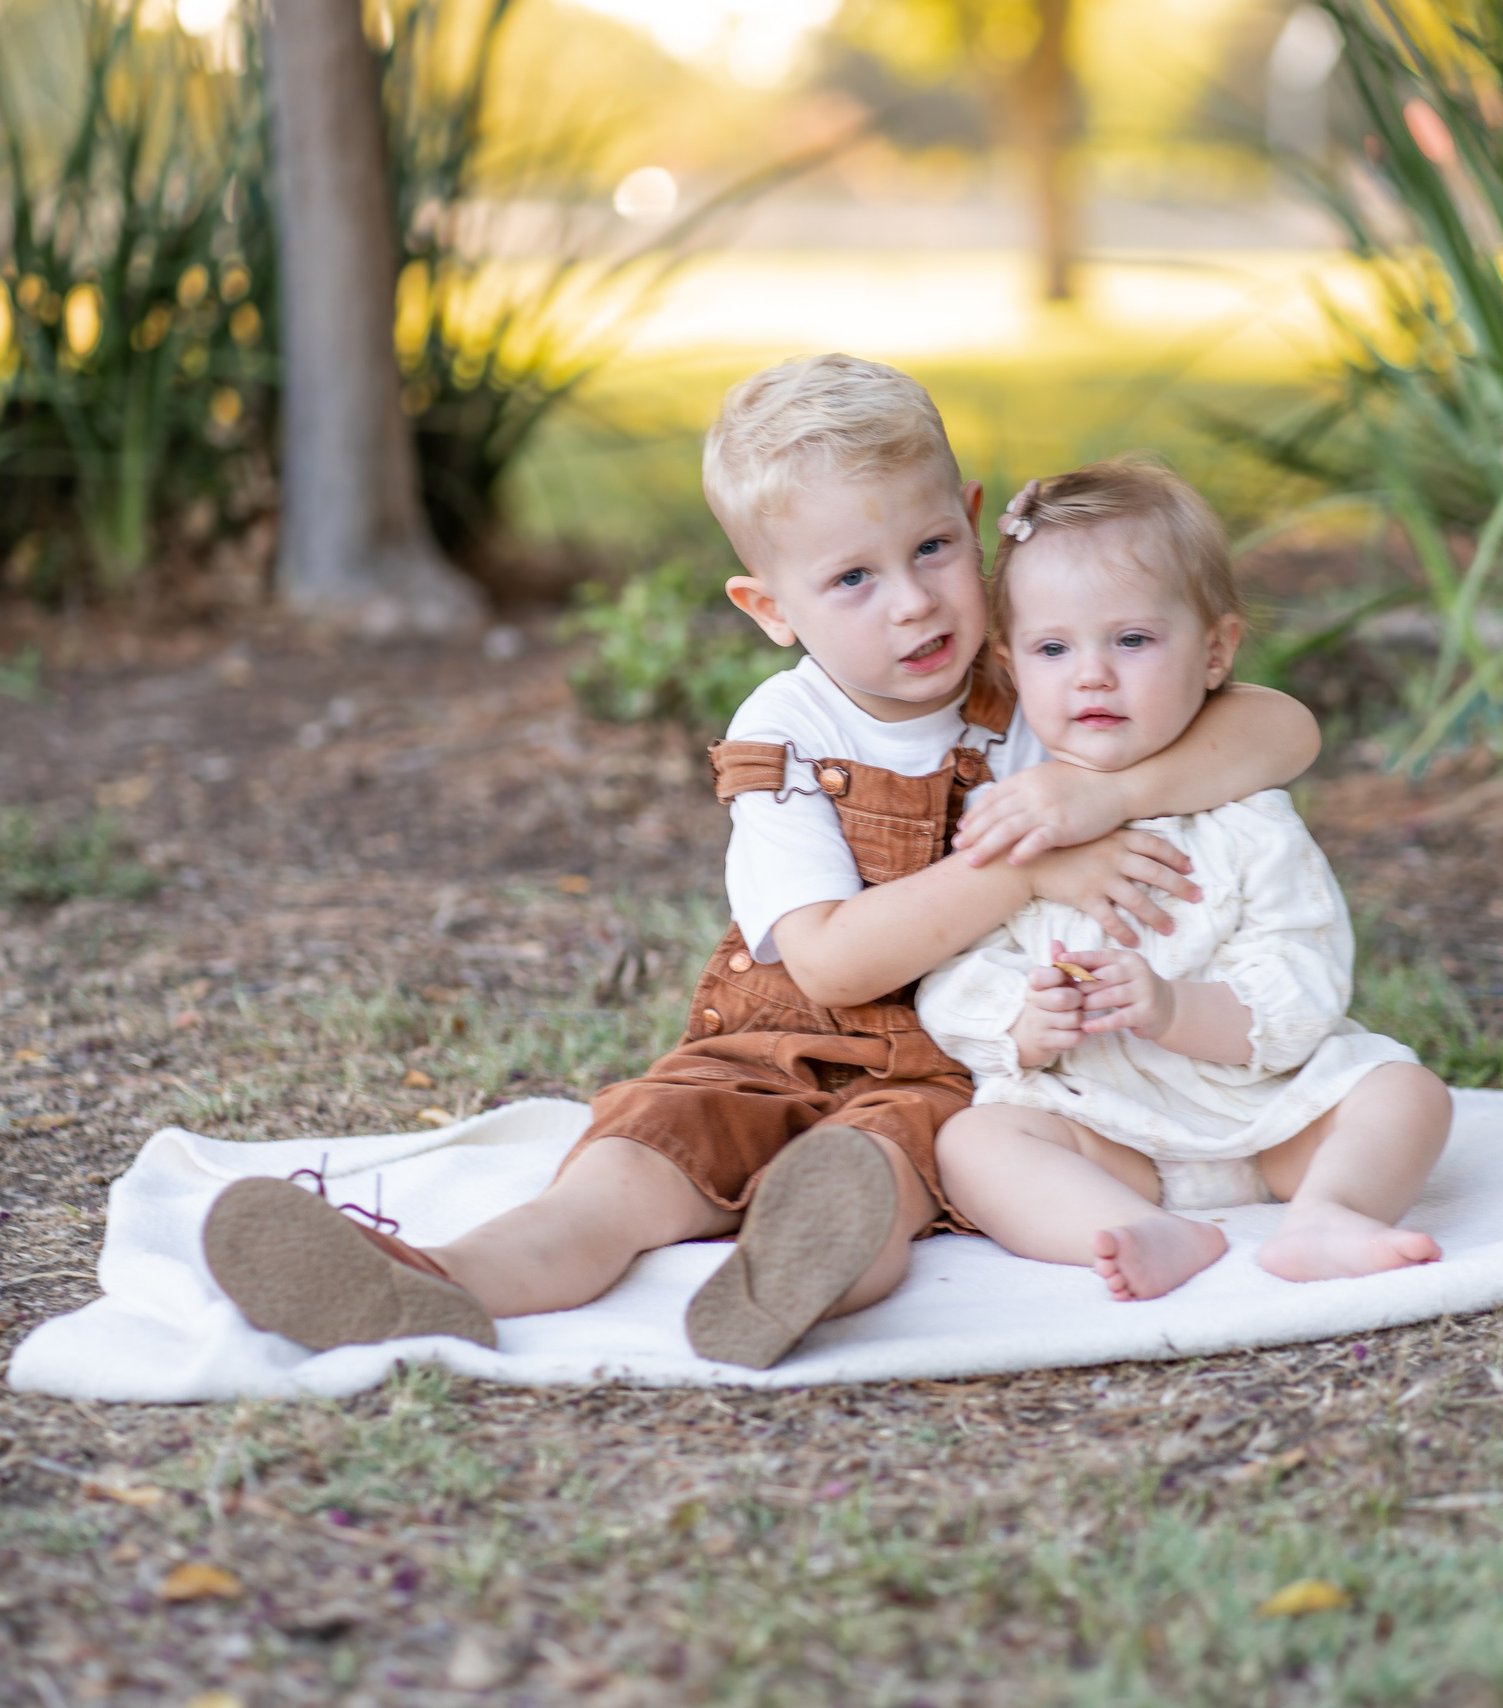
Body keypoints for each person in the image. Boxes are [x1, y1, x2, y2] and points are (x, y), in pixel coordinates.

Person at [197, 356, 1324, 1366]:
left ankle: (784, 1276)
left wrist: (1099, 791)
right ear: (767, 607)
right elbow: (828, 964)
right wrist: (1028, 867)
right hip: (767, 1038)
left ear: (973, 526)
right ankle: (440, 1280)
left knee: (874, 1176)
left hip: (953, 1063)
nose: (913, 600)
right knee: (640, 1154)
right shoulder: (785, 737)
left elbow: (1283, 729)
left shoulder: (1043, 670)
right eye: (852, 579)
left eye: (933, 548)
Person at [918, 460, 1453, 1303]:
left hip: (1268, 1118)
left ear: (1215, 652)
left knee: (1406, 1093)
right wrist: (1024, 1022)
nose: (1092, 674)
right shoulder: (1011, 815)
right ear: (1011, 665)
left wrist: (1175, 1011)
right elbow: (952, 968)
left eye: (1131, 640)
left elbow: (1303, 971)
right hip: (1103, 1123)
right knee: (976, 1145)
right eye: (1054, 648)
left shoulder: (1243, 813)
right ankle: (1141, 1228)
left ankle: (1328, 1212)